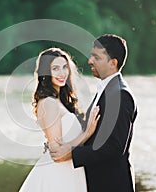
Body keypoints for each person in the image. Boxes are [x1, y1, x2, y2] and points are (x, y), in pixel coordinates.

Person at [50, 34, 138, 192]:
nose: (90, 60)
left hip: (111, 185)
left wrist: (71, 154)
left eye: (96, 57)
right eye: (91, 56)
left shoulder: (120, 95)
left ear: (113, 63)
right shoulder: (106, 90)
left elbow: (114, 147)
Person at [19, 47, 100, 192]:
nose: (62, 73)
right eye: (55, 68)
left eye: (64, 67)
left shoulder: (59, 101)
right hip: (57, 174)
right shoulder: (48, 103)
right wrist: (86, 133)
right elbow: (57, 153)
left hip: (70, 171)